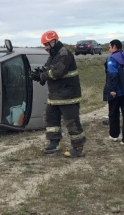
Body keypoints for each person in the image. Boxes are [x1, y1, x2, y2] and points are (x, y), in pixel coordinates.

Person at [31, 30, 86, 158]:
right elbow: (49, 68)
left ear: (53, 42)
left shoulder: (64, 53)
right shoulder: (54, 54)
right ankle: (54, 143)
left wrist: (43, 76)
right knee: (50, 118)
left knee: (72, 122)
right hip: (55, 95)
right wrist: (40, 73)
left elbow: (58, 71)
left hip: (68, 96)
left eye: (46, 45)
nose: (45, 48)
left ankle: (78, 147)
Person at [103, 39, 124, 145]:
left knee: (113, 113)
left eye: (109, 47)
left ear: (114, 47)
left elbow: (113, 74)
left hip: (117, 91)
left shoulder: (111, 59)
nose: (109, 49)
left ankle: (114, 135)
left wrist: (112, 89)